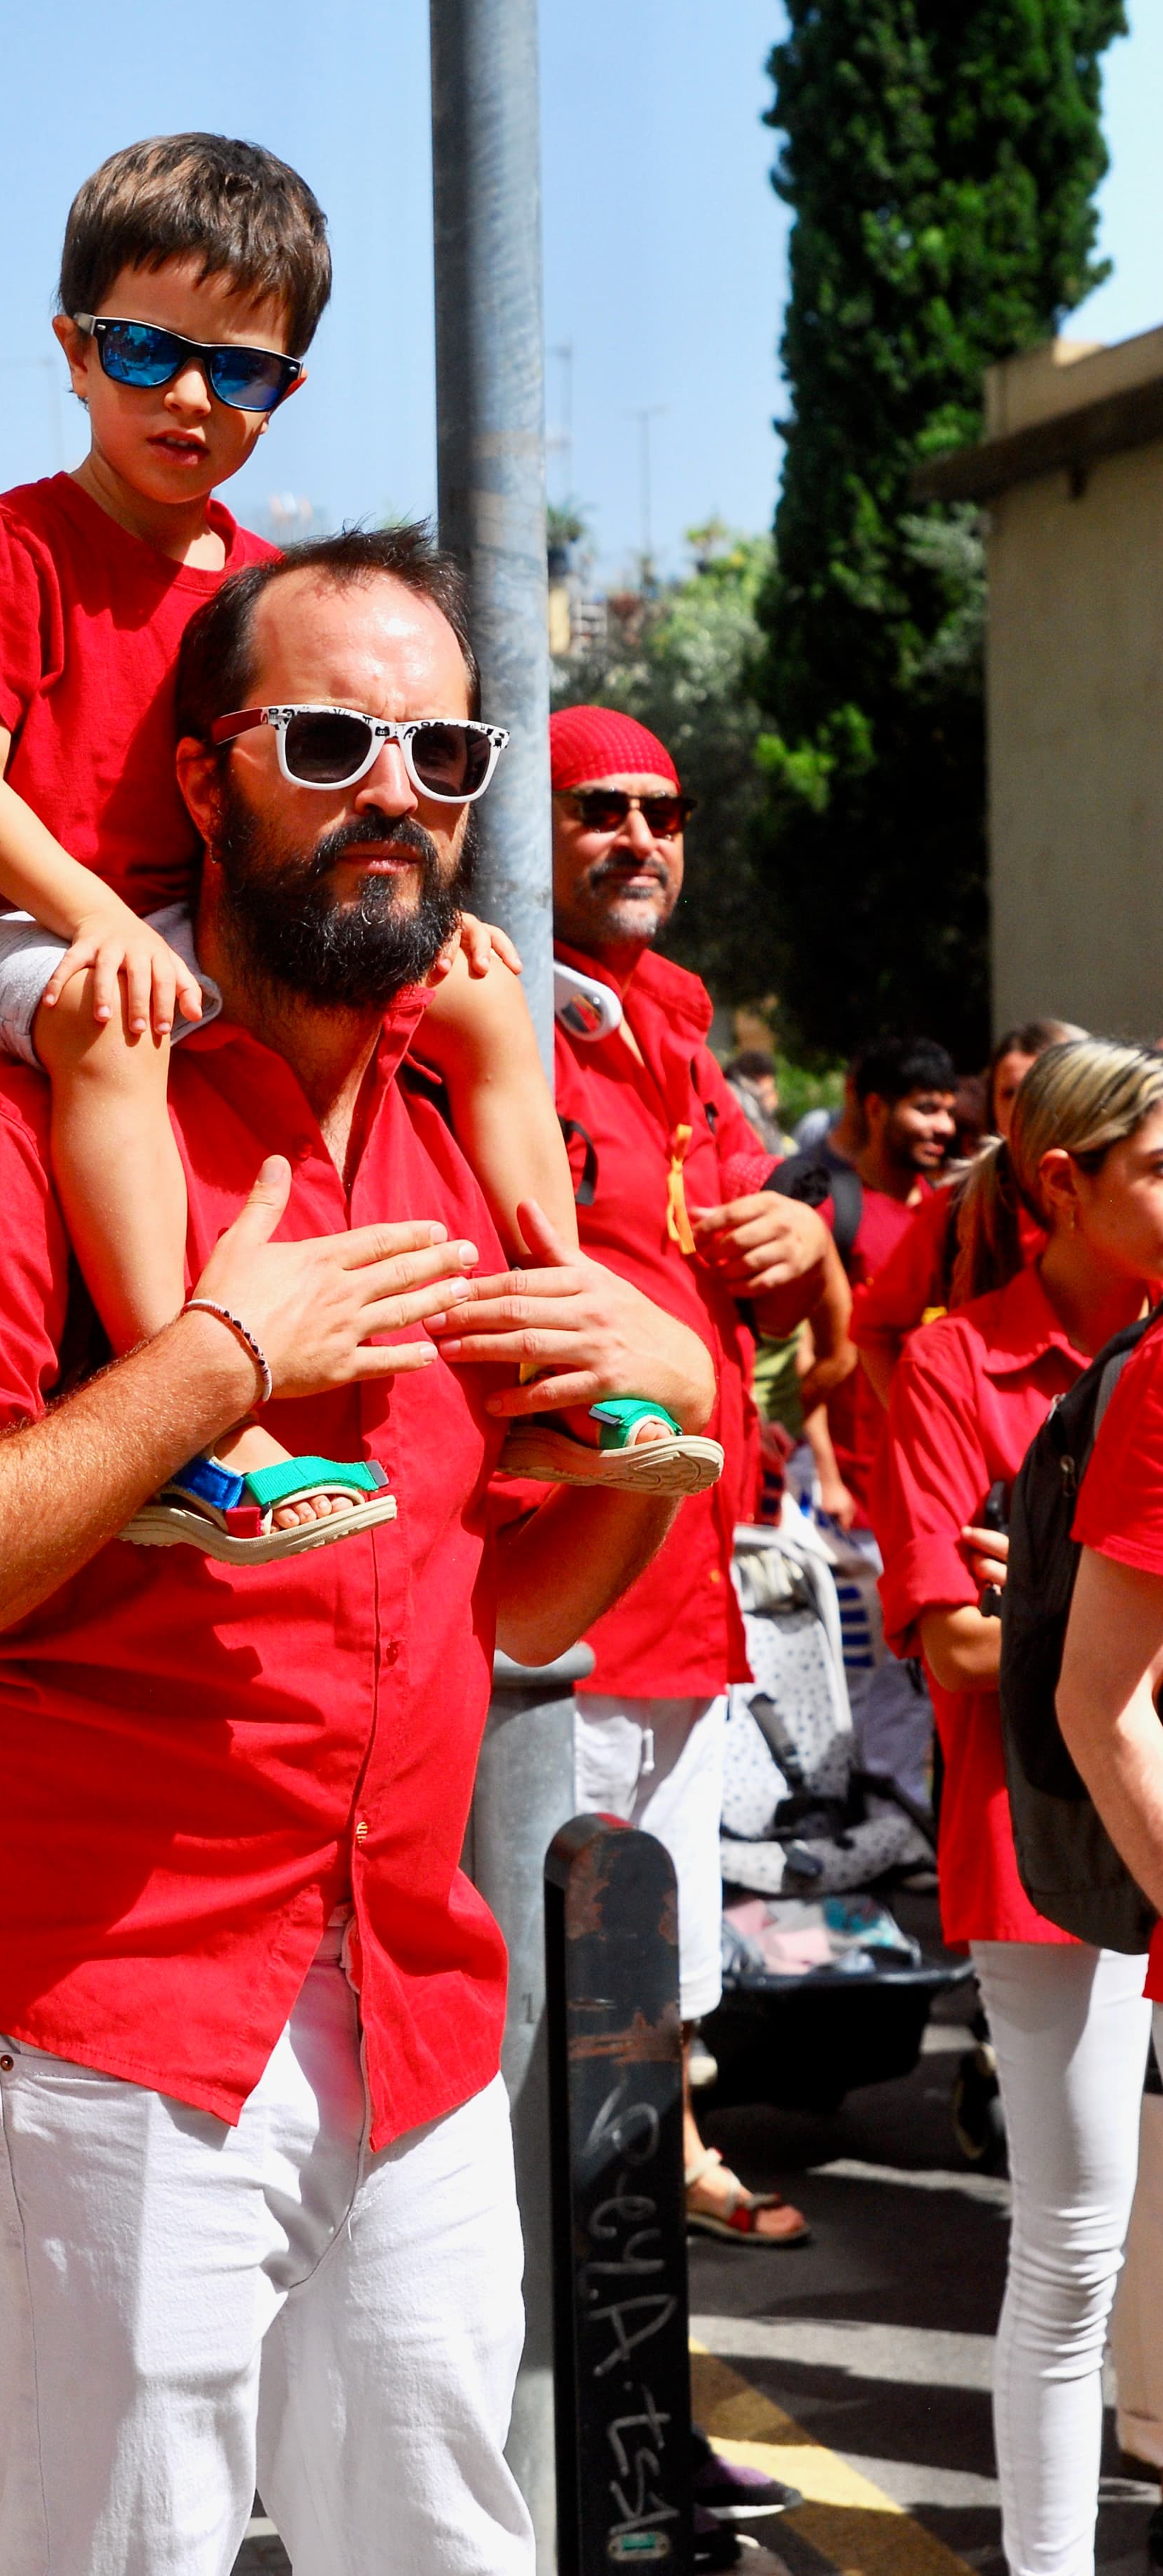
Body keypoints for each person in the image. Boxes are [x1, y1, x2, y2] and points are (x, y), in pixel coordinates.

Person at [0, 529, 714, 2572]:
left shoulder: (465, 1149)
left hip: (418, 2015)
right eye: (329, 742)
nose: (396, 793)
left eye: (445, 757)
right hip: (98, 2018)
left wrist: (657, 1446)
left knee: (448, 2544)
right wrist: (214, 1364)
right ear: (204, 780)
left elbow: (507, 1607)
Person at [0, 132, 682, 1554]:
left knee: (487, 1003)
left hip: (186, 928)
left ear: (285, 390)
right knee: (111, 1018)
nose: (190, 397)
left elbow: (329, 795)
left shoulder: (262, 588)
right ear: (73, 350)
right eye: (146, 351)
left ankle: (550, 1346)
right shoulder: (20, 544)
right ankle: (181, 1401)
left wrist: (431, 912)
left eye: (239, 371)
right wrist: (97, 923)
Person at [536, 703, 840, 2262]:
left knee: (650, 1971)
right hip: (563, 1595)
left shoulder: (677, 1029)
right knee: (563, 1985)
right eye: (599, 808)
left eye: (663, 812)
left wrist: (807, 1244)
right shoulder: (496, 1017)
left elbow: (791, 1319)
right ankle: (566, 2349)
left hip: (687, 1596)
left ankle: (641, 2255)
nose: (639, 837)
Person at [871, 1039, 1163, 2576]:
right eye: (1161, 1167)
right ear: (1066, 1181)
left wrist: (1045, 1591)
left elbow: (1025, 1632)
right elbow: (955, 1645)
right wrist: (1084, 1612)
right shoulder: (951, 1366)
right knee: (1072, 2245)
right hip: (1042, 1843)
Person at [773, 1034, 958, 1806]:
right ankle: (844, 1803)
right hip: (846, 1481)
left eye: (948, 1110)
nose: (942, 1126)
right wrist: (826, 1471)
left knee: (911, 1657)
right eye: (924, 1108)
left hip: (926, 1478)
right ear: (876, 1108)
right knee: (852, 1658)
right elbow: (802, 1350)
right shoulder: (831, 1206)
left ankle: (893, 1804)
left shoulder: (950, 1209)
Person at [853, 1018, 1086, 1397]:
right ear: (992, 1108)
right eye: (1010, 1093)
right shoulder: (960, 1207)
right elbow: (873, 1330)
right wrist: (923, 1419)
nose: (1025, 1107)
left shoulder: (1127, 1197)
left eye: (1042, 1089)